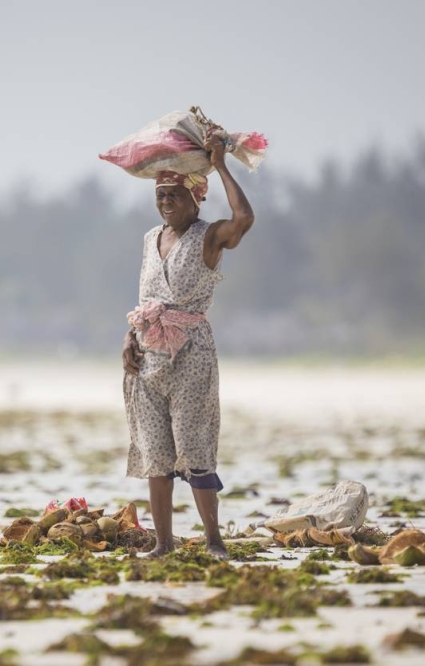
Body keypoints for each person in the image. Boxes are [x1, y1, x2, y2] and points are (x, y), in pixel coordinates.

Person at [122, 130, 255, 560]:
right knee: (156, 452)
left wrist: (220, 165)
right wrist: (129, 340)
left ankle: (214, 540)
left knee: (194, 447)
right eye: (160, 195)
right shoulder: (150, 239)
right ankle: (163, 543)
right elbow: (146, 299)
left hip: (191, 357)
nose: (166, 203)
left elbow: (244, 218)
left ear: (196, 198)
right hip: (147, 361)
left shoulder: (209, 236)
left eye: (175, 195)